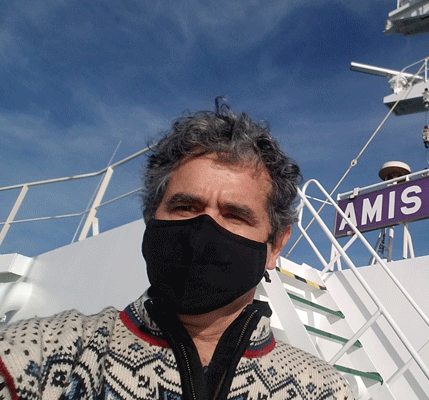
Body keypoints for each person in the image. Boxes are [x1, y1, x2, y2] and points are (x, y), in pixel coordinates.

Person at [0, 102, 354, 400]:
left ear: (274, 246)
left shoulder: (325, 390)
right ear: (151, 218)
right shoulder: (43, 352)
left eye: (234, 215)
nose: (203, 232)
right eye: (185, 207)